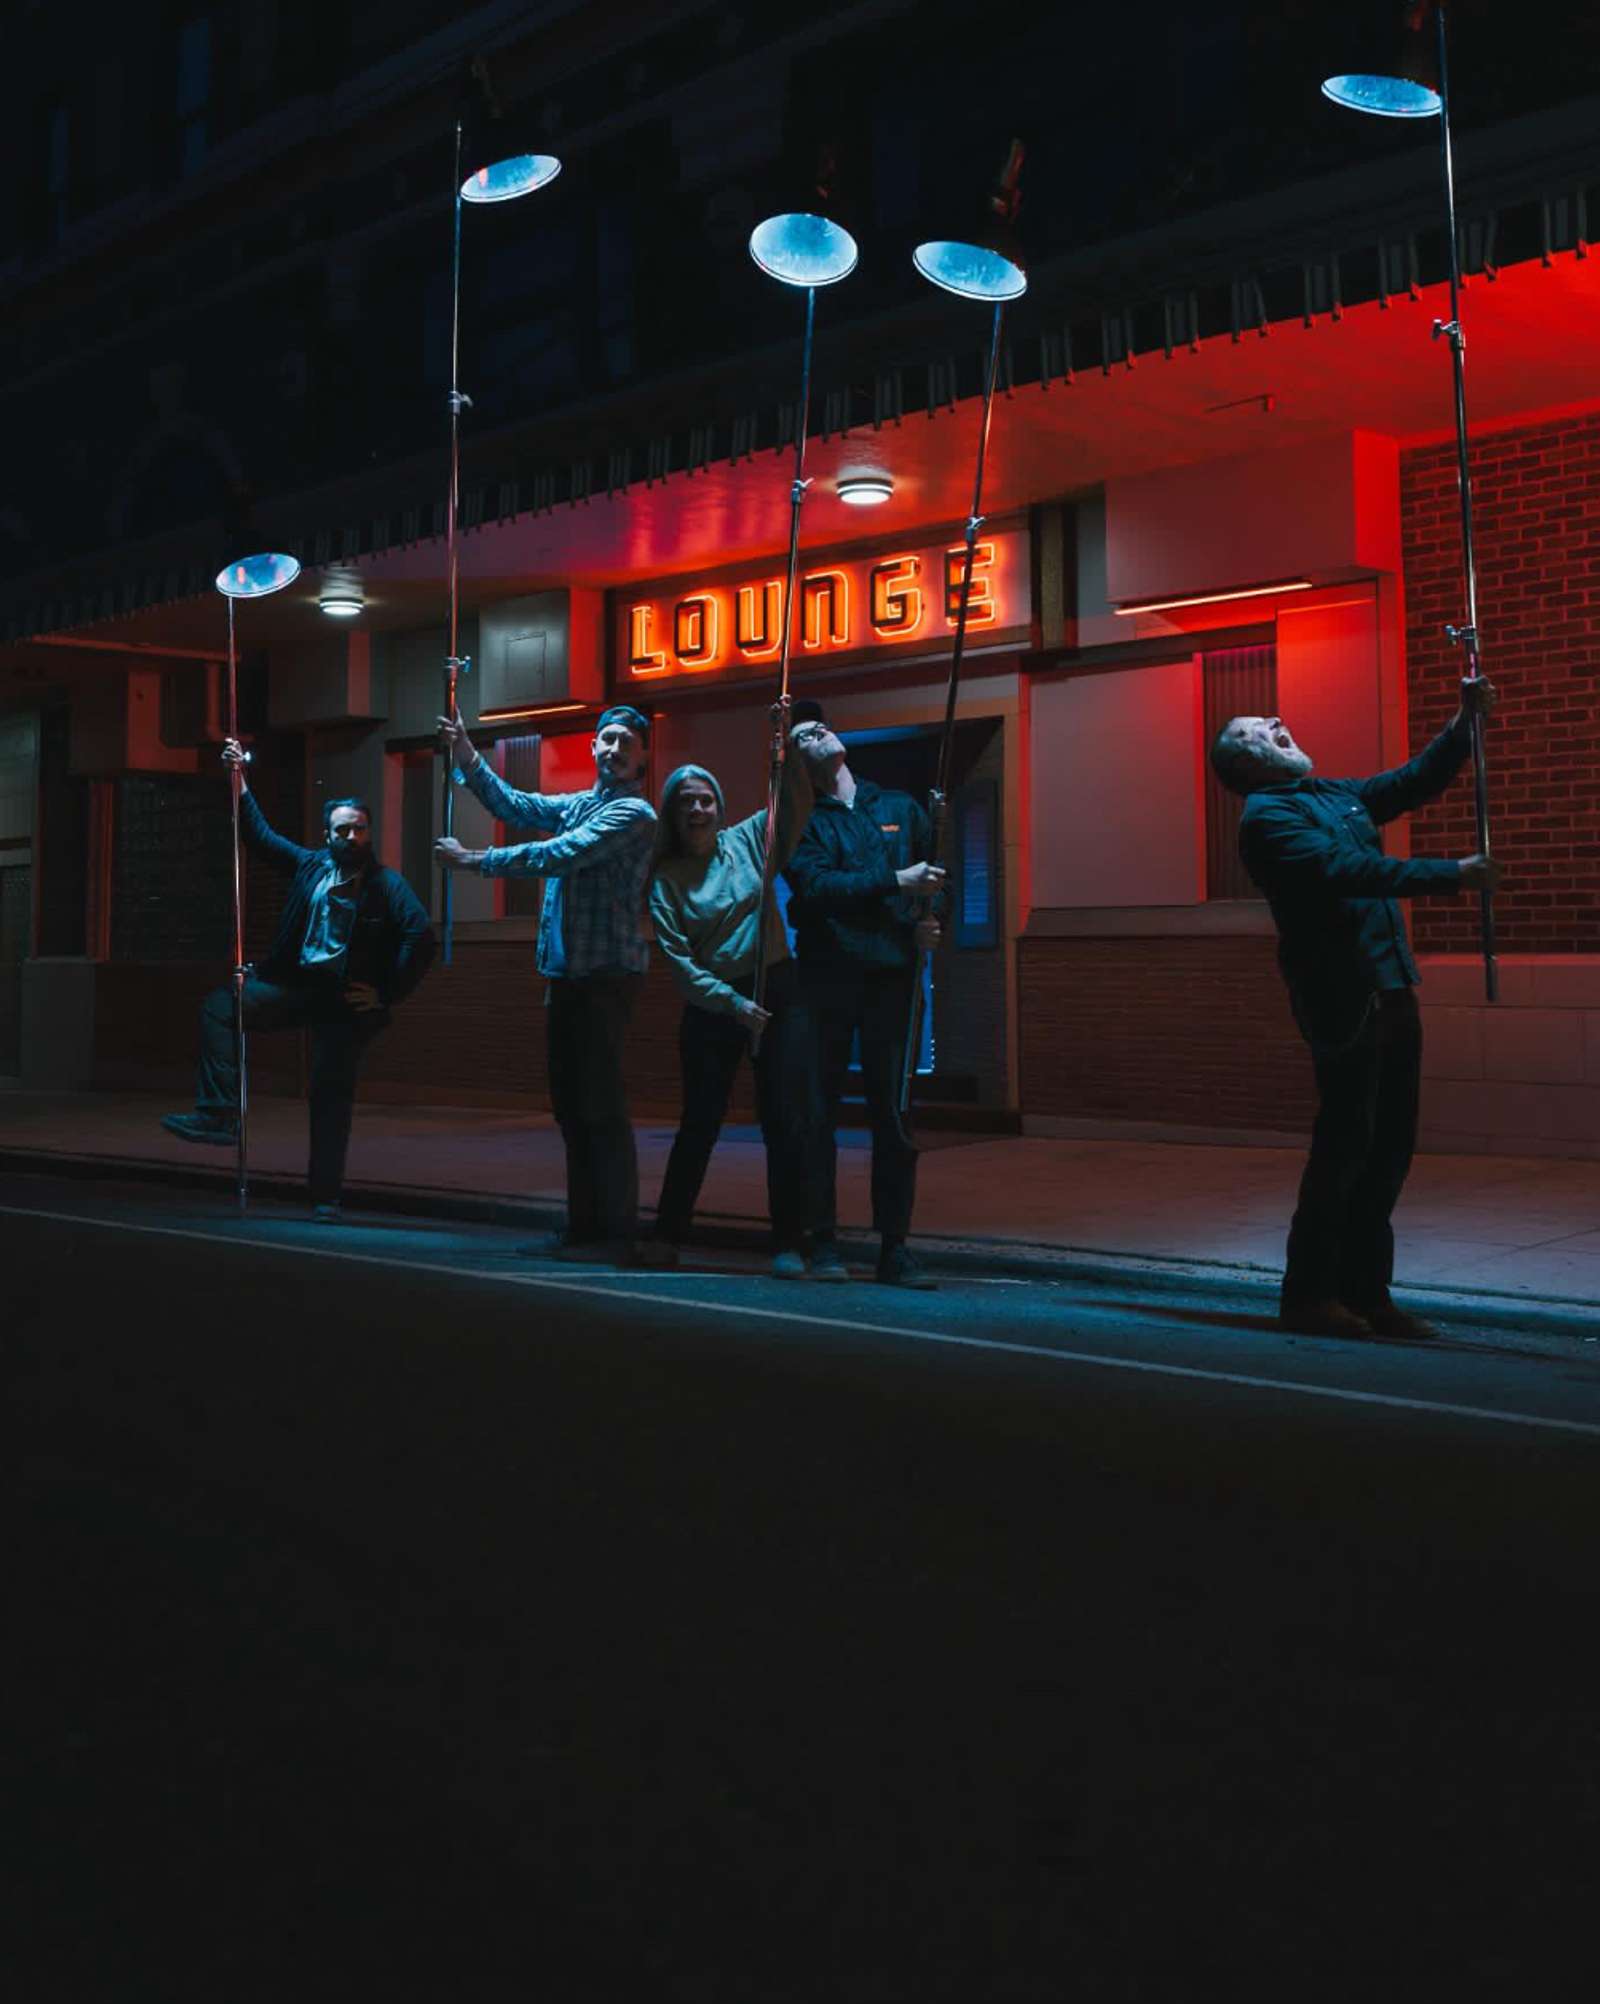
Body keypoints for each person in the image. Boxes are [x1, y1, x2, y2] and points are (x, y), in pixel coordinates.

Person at [1210, 682, 1501, 1340]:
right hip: (1344, 998)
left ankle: (1368, 1295)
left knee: (1389, 1149)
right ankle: (1309, 1296)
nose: (1276, 719)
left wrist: (1463, 723)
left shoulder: (1326, 794)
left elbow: (1408, 783)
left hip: (1391, 985)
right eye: (1257, 727)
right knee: (1345, 1147)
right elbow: (1348, 869)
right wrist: (1452, 874)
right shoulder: (1267, 820)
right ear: (1248, 762)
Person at [161, 740, 435, 1218]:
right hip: (296, 986)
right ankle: (220, 1114)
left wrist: (386, 993)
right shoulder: (311, 867)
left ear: (369, 833)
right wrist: (237, 778)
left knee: (330, 1095)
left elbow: (422, 937)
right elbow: (260, 837)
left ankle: (325, 1195)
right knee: (221, 1007)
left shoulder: (386, 886)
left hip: (343, 1001)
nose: (352, 837)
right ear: (328, 835)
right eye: (342, 830)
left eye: (359, 829)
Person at [436, 704, 656, 1262]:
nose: (614, 749)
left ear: (643, 757)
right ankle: (584, 1229)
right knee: (572, 1110)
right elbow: (514, 804)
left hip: (606, 976)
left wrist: (474, 859)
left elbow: (559, 854)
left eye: (626, 743)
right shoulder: (580, 804)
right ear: (593, 748)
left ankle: (615, 1234)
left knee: (601, 1109)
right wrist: (465, 749)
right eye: (607, 739)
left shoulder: (635, 814)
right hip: (567, 975)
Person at [645, 702, 825, 1277]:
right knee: (700, 1122)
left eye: (706, 800)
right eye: (686, 801)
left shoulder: (749, 840)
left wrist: (784, 744)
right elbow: (680, 964)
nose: (697, 809)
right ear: (672, 813)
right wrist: (732, 1004)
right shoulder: (666, 880)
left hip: (775, 988)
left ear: (719, 807)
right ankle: (667, 1234)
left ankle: (789, 1241)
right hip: (714, 1002)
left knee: (784, 1119)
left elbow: (793, 805)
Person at [783, 708, 945, 1287]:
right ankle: (822, 1241)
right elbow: (818, 886)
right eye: (802, 736)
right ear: (795, 764)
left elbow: (936, 879)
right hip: (825, 981)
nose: (817, 733)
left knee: (893, 1116)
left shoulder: (899, 807)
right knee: (817, 1114)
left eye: (819, 727)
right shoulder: (800, 821)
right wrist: (894, 882)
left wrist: (931, 921)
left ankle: (895, 1247)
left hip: (893, 980)